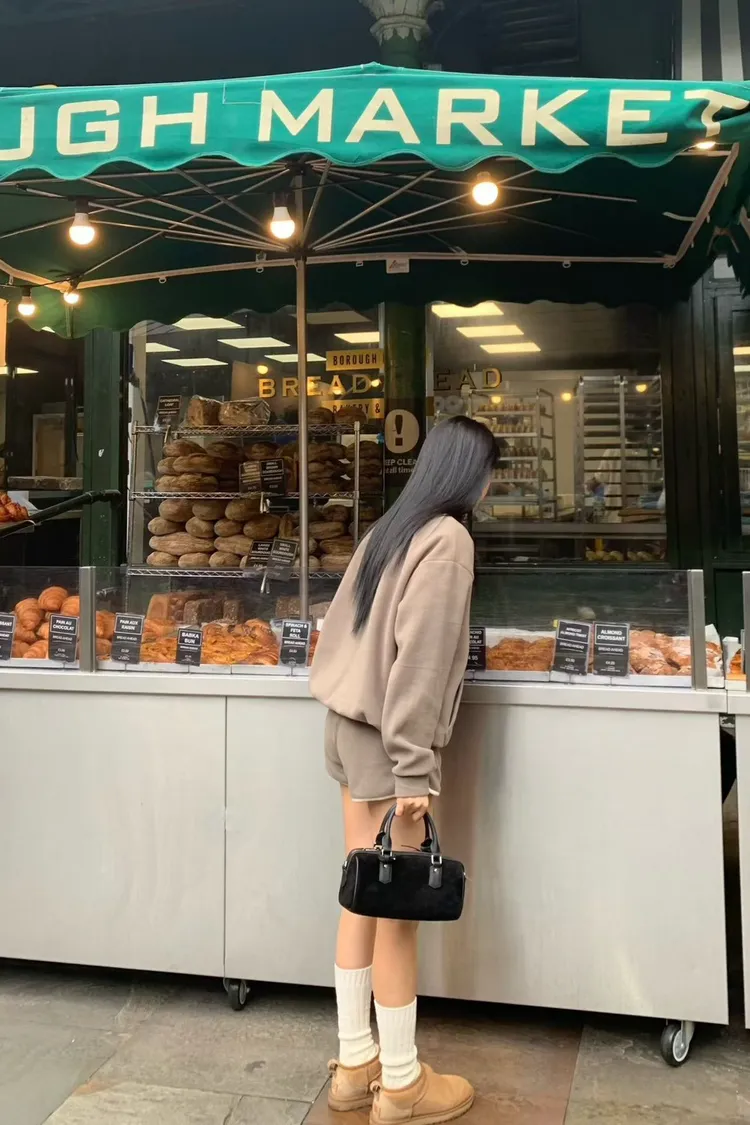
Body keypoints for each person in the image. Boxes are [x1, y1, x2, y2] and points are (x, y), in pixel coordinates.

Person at [310, 416, 497, 1124]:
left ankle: (354, 1065)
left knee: (362, 893)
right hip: (392, 747)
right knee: (397, 913)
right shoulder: (447, 540)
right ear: (471, 474)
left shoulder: (389, 529)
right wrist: (415, 770)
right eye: (489, 472)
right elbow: (420, 661)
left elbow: (343, 632)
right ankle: (401, 1082)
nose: (489, 486)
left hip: (348, 730)